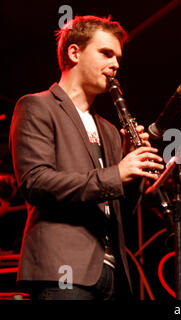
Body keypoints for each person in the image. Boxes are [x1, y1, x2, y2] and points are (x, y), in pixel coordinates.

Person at [9, 15, 164, 300]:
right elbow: (36, 183)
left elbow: (119, 208)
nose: (115, 64)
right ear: (74, 52)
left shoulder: (110, 130)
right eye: (106, 53)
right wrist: (116, 174)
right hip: (62, 269)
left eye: (118, 57)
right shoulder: (37, 106)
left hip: (112, 274)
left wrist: (131, 171)